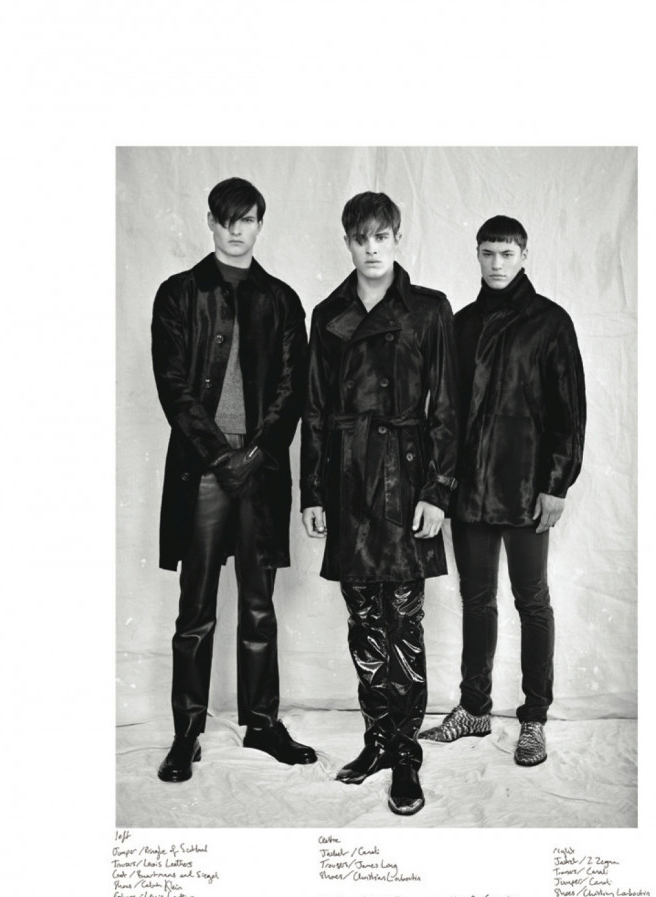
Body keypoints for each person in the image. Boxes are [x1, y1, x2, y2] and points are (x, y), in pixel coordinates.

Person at [151, 177, 316, 782]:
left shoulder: (282, 299)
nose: (235, 230)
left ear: (260, 225)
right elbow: (173, 386)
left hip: (261, 474)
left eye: (246, 220)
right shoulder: (178, 293)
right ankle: (187, 732)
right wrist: (222, 456)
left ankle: (263, 724)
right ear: (211, 223)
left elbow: (293, 389)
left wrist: (257, 452)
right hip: (202, 470)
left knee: (258, 605)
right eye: (226, 219)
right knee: (195, 609)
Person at [301, 191, 459, 815]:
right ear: (348, 242)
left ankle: (406, 757)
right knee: (364, 623)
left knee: (405, 626)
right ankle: (377, 742)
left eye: (381, 237)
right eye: (360, 238)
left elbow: (446, 408)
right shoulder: (327, 313)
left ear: (397, 238)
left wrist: (438, 492)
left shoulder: (429, 309)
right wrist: (313, 492)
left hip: (406, 482)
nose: (371, 249)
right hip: (347, 483)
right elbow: (315, 410)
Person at [421, 215, 586, 766]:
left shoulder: (550, 322)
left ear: (524, 255)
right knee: (476, 600)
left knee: (531, 600)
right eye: (488, 253)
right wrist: (442, 485)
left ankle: (534, 717)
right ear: (477, 254)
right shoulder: (461, 324)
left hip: (525, 488)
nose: (497, 263)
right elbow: (445, 413)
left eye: (507, 253)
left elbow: (569, 411)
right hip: (470, 490)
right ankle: (474, 708)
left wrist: (556, 484)